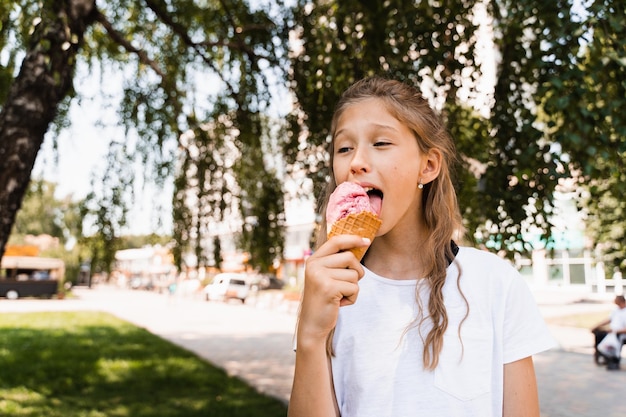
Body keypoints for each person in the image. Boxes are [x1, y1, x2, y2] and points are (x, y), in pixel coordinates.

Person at [288, 76, 555, 417]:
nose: (356, 161)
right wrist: (311, 336)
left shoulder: (494, 283)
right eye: (344, 148)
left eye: (381, 143)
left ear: (427, 166)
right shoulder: (330, 290)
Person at [591, 294, 626, 370]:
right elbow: (609, 319)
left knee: (616, 338)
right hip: (612, 332)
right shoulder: (616, 310)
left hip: (621, 334)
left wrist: (615, 331)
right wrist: (597, 326)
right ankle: (603, 356)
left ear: (621, 301)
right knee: (599, 335)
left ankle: (614, 361)